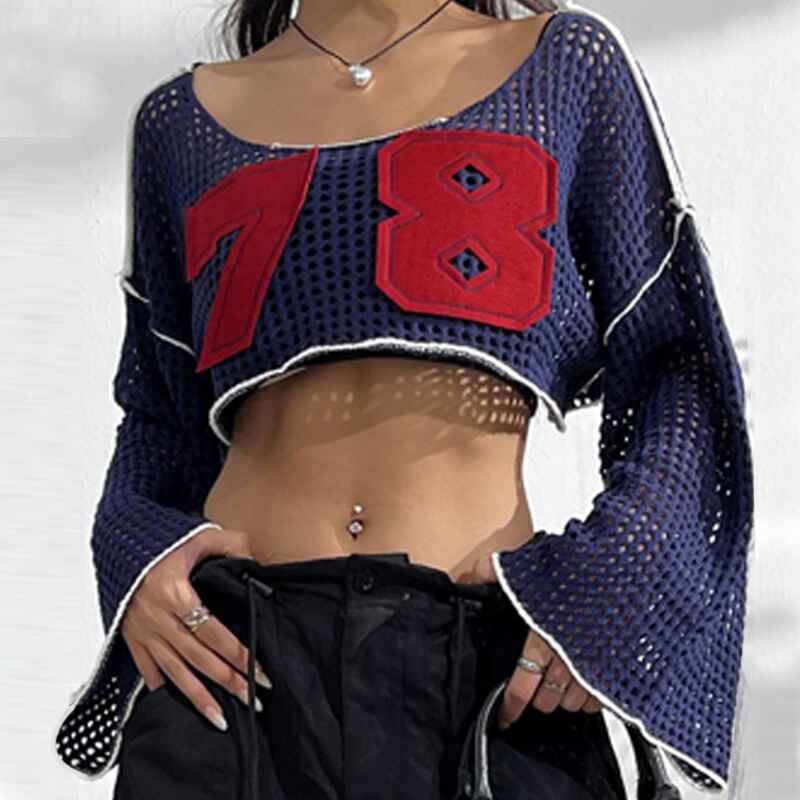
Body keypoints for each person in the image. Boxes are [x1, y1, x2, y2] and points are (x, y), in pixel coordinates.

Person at [53, 1, 754, 798]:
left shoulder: (565, 67)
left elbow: (678, 370)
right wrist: (140, 563)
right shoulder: (179, 122)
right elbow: (158, 415)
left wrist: (611, 587)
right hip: (234, 675)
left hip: (487, 682)